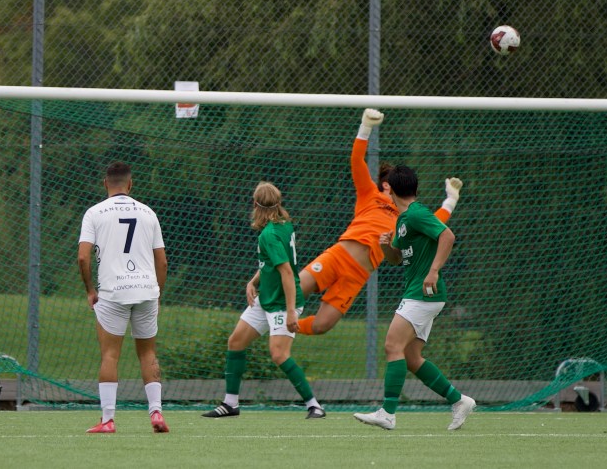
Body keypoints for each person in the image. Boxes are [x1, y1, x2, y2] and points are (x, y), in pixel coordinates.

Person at [291, 108, 461, 336]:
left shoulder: (407, 216)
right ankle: (265, 317)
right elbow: (356, 160)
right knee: (293, 291)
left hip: (358, 274)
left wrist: (451, 200)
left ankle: (282, 327)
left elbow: (436, 223)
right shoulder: (369, 194)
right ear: (387, 185)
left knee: (321, 325)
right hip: (338, 257)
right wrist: (366, 127)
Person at [353, 164, 475, 431]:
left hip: (423, 293)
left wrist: (433, 270)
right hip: (421, 293)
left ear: (391, 191)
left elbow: (447, 236)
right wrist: (386, 247)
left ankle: (387, 413)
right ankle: (459, 400)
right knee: (411, 357)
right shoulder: (404, 219)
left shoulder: (417, 213)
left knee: (392, 345)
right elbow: (396, 259)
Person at [202, 182, 325, 419]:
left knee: (279, 354)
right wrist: (253, 282)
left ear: (255, 205)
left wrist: (291, 311)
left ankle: (314, 405)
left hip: (282, 302)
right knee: (236, 341)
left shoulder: (269, 235)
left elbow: (287, 272)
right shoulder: (284, 225)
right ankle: (230, 404)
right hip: (267, 297)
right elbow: (270, 264)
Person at [78, 161, 169, 434]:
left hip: (113, 292)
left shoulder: (94, 213)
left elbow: (83, 257)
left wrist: (90, 290)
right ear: (130, 184)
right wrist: (157, 293)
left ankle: (108, 420)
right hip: (146, 290)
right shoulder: (148, 213)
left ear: (105, 183)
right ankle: (156, 413)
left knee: (110, 354)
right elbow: (162, 262)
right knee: (148, 353)